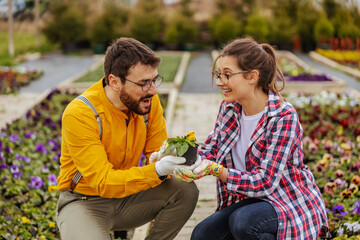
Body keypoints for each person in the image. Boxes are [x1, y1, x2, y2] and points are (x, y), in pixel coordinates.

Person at [175, 37, 329, 240]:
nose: (220, 82)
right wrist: (178, 157)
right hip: (248, 201)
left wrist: (217, 170)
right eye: (218, 75)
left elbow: (265, 181)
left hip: (285, 200)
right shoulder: (230, 108)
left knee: (244, 223)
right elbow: (212, 148)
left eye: (227, 75)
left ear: (252, 77)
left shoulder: (283, 117)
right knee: (202, 234)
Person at [56, 37, 199, 240]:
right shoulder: (81, 114)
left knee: (185, 191)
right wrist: (156, 170)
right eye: (143, 83)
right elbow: (102, 182)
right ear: (114, 81)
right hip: (84, 201)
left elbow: (157, 153)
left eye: (154, 80)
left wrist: (179, 160)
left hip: (129, 198)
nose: (153, 90)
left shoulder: (148, 102)